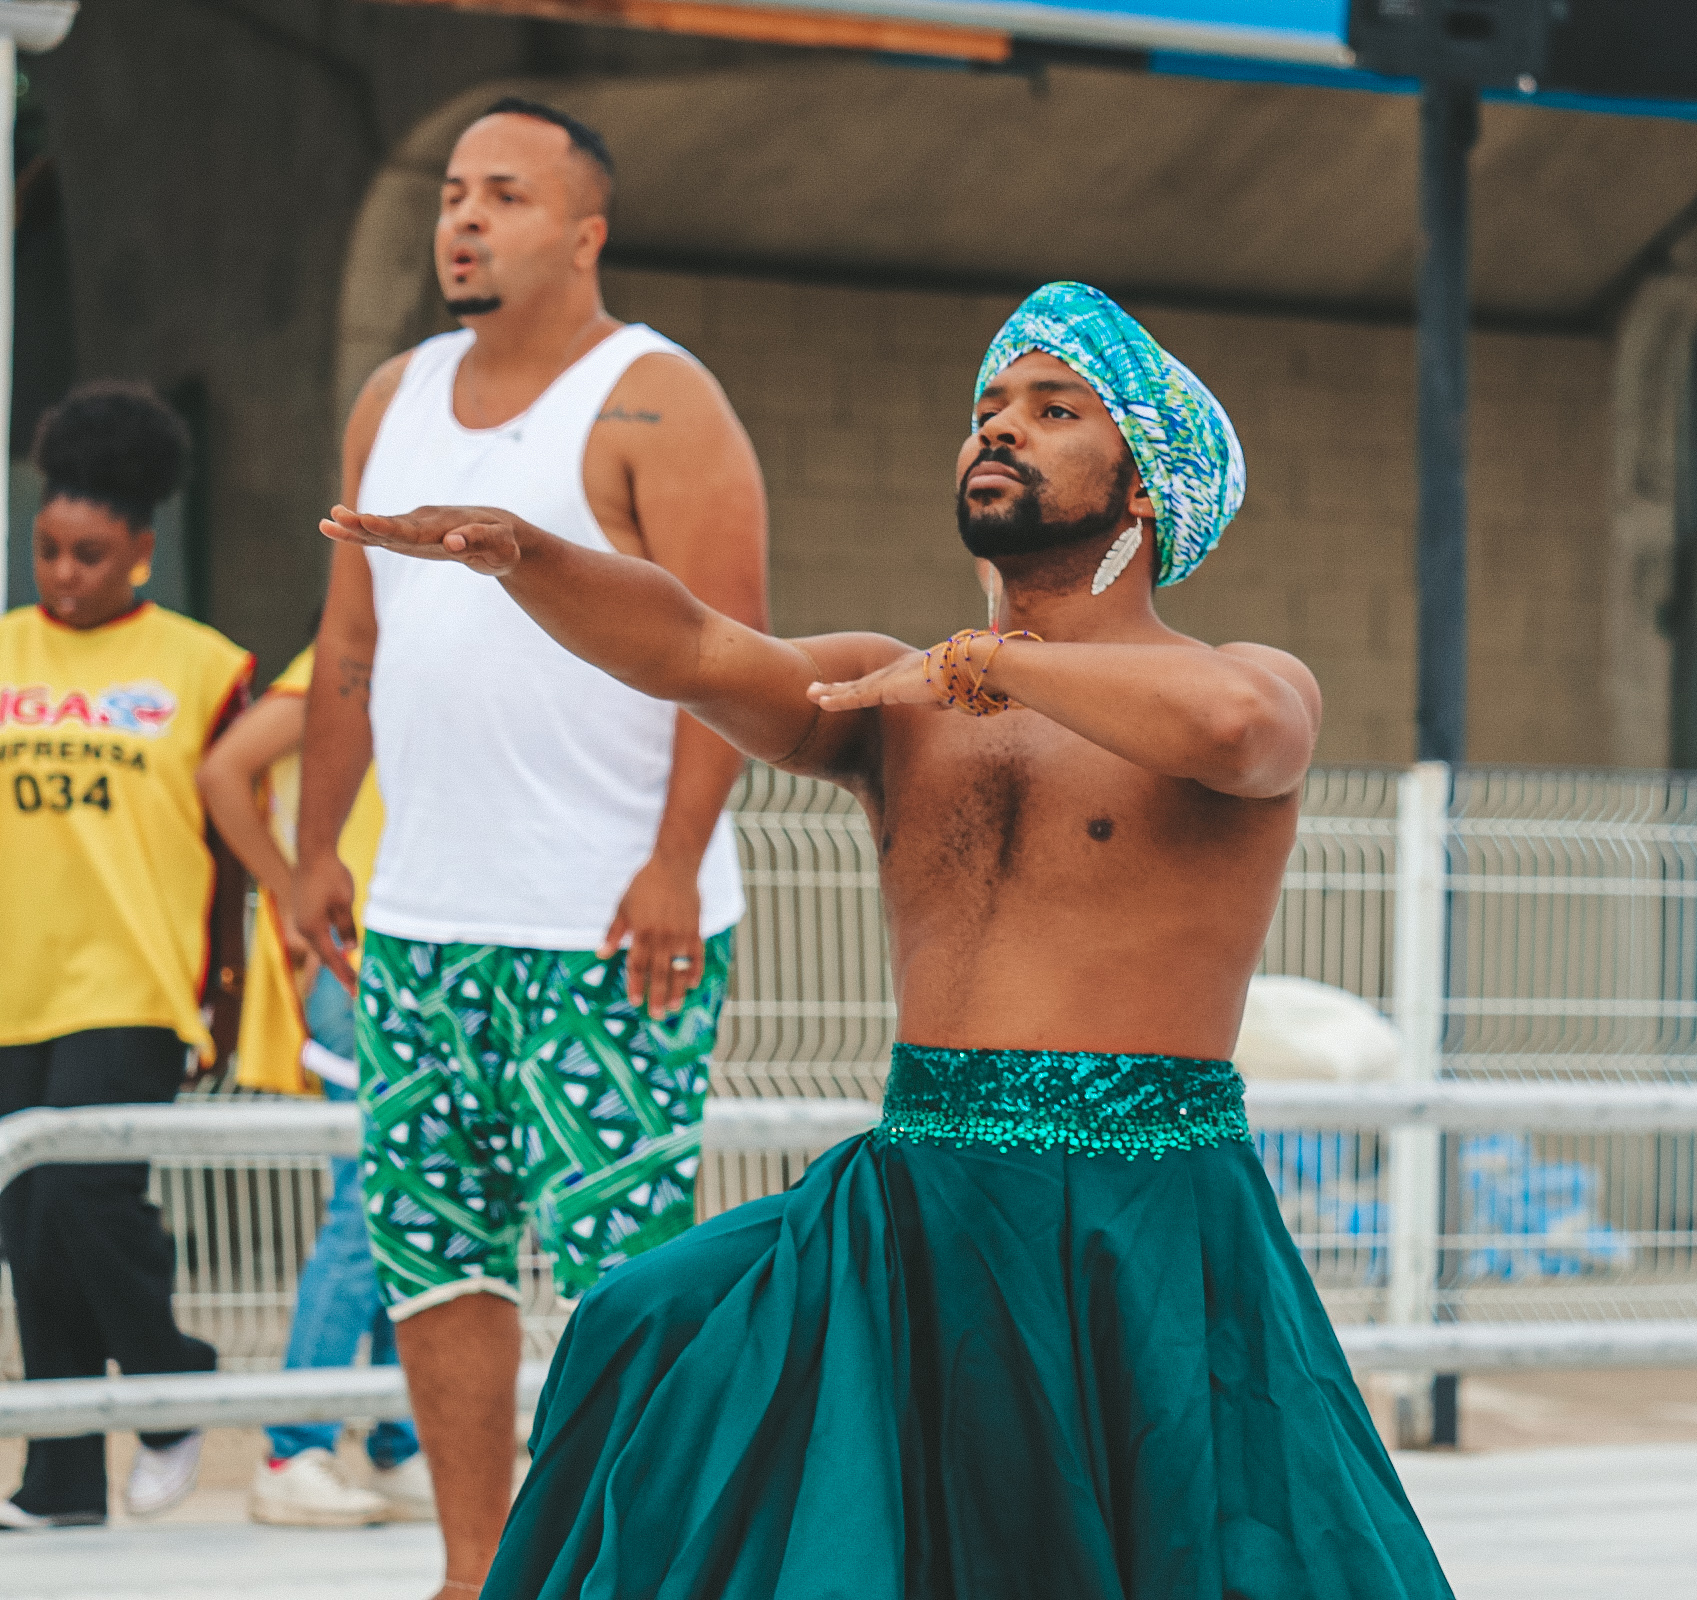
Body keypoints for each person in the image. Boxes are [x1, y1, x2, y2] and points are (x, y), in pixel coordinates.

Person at [318, 279, 1455, 1599]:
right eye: (988, 407)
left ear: (1146, 485)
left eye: (1054, 408)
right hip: (917, 1202)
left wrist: (996, 663)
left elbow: (1239, 732)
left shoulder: (1243, 676)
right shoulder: (896, 697)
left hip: (1138, 1217)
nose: (999, 427)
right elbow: (693, 648)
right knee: (646, 1320)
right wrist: (531, 557)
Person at [289, 98, 765, 1593]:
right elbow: (350, 643)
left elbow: (733, 657)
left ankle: (621, 1567)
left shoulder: (655, 400)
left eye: (504, 194)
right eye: (452, 193)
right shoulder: (395, 395)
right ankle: (474, 1568)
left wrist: (676, 858)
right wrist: (314, 847)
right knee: (434, 1248)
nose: (464, 219)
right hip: (426, 917)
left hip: (609, 923)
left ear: (584, 232)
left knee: (623, 1267)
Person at [0, 383, 249, 1528]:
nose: (63, 574)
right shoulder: (6, 650)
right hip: (15, 984)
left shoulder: (206, 666)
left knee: (82, 1196)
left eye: (90, 555)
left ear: (142, 549)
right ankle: (60, 1479)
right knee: (27, 1227)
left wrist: (229, 991)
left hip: (135, 983)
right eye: (48, 550)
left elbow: (234, 849)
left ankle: (171, 1375)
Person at [197, 636, 433, 1526]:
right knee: (372, 1203)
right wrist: (295, 888)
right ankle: (293, 1450)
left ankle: (399, 1441)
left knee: (415, 1202)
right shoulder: (350, 657)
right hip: (357, 962)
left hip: (416, 961)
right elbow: (224, 771)